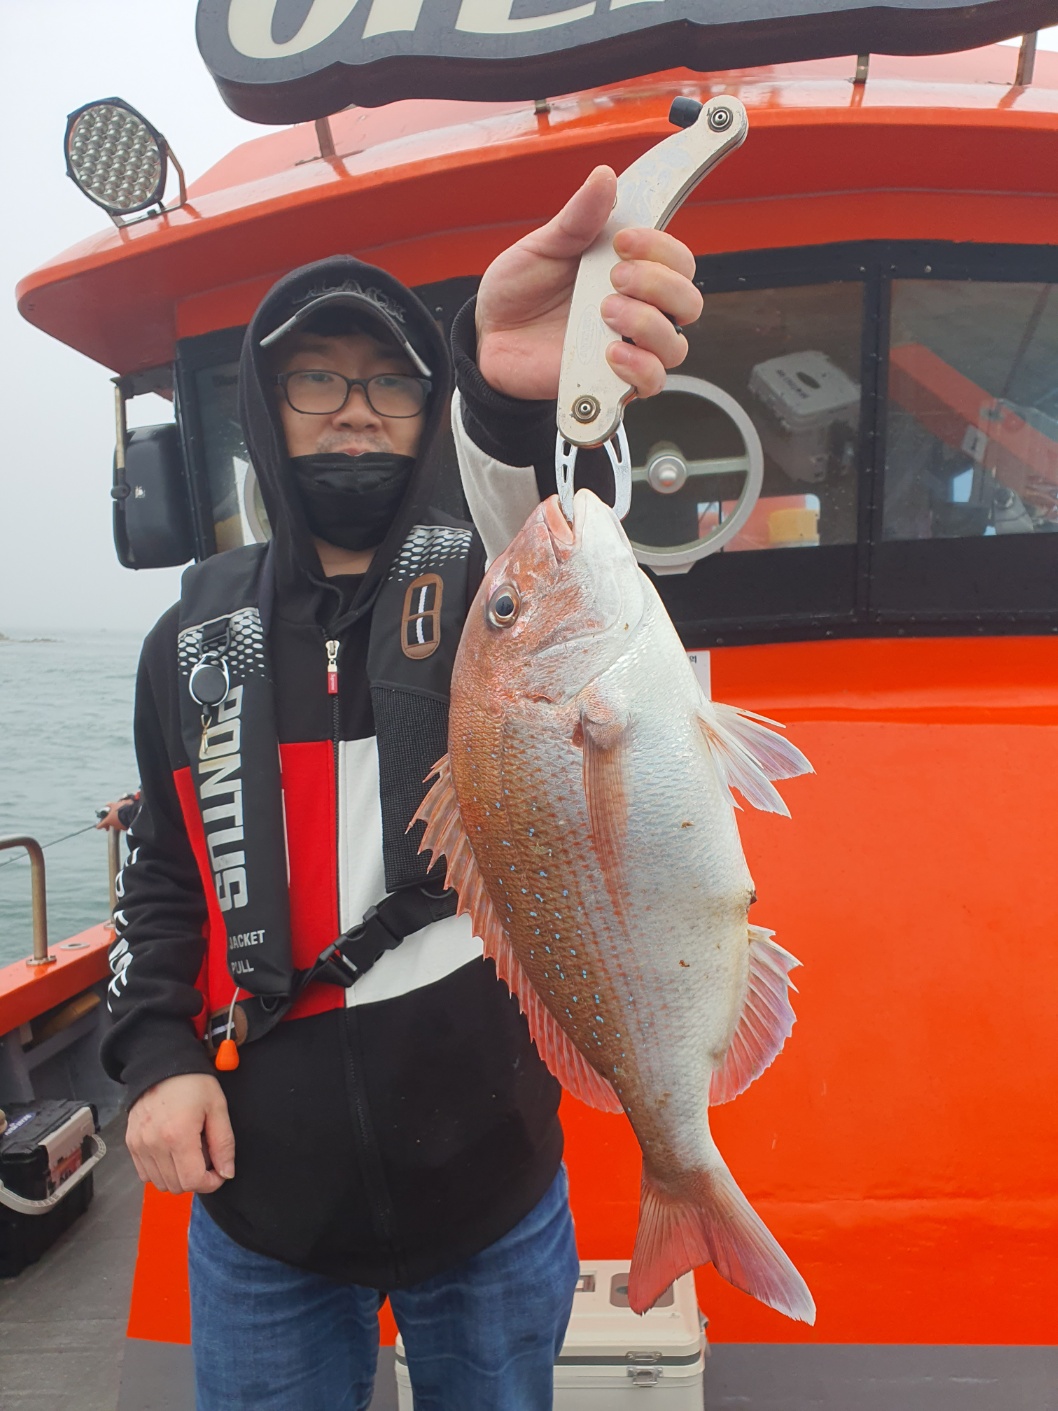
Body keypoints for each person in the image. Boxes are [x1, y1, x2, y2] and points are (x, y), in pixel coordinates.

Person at [100, 166, 702, 1411]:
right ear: (265, 411)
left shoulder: (489, 587)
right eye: (316, 381)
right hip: (259, 1201)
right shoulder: (190, 642)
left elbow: (541, 507)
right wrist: (155, 1054)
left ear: (428, 413)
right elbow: (162, 873)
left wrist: (509, 393)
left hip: (488, 1186)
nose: (354, 413)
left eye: (388, 383)